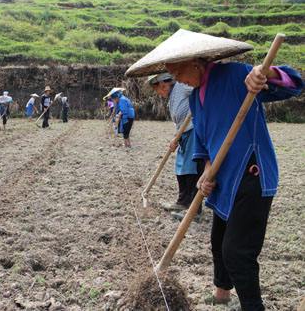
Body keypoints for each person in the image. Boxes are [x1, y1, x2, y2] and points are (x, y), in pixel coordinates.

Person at [126, 29, 303, 310]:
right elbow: (203, 139)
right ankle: (222, 294)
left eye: (178, 72)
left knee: (237, 252)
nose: (177, 79)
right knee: (218, 241)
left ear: (196, 63)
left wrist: (264, 74)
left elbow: (295, 83)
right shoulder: (196, 97)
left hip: (251, 174)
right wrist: (207, 169)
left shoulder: (234, 75)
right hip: (222, 178)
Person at [149, 73, 203, 214]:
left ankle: (194, 208)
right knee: (180, 167)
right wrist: (176, 139)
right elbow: (179, 122)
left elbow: (201, 90)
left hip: (194, 130)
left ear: (164, 85)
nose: (159, 94)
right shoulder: (172, 97)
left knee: (191, 168)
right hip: (183, 133)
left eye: (158, 90)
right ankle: (182, 202)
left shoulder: (181, 86)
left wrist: (197, 102)